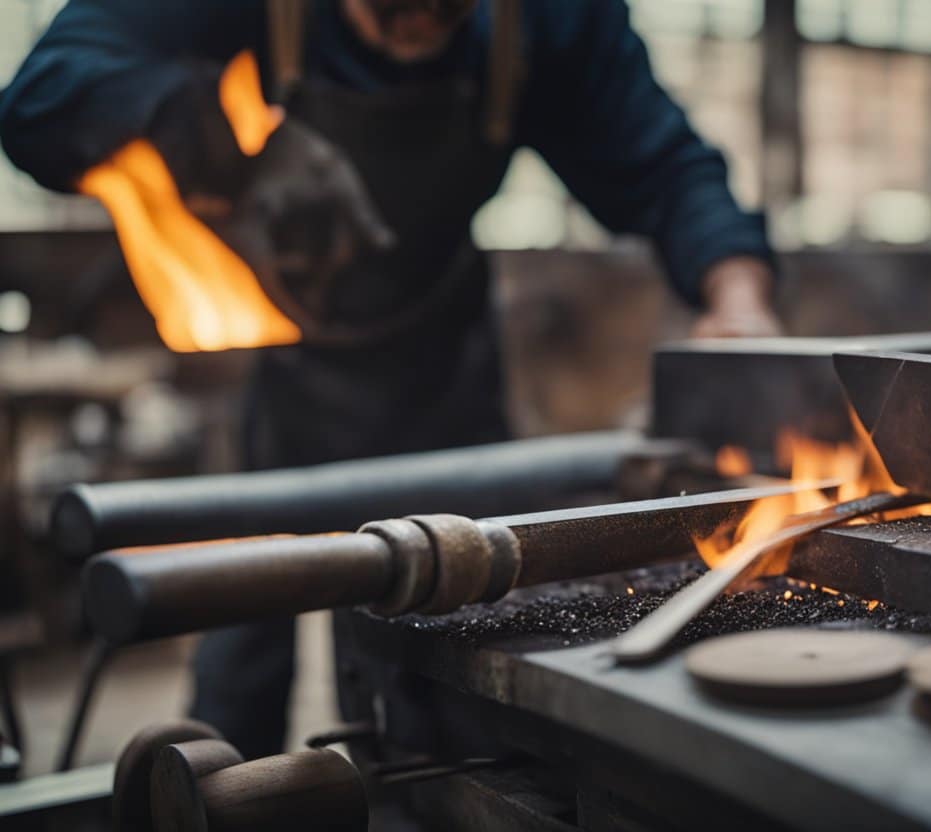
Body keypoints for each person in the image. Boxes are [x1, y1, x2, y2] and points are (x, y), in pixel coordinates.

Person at [0, 0, 780, 758]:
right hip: (292, 387)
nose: (419, 20)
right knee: (237, 680)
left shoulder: (552, 17)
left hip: (450, 392)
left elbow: (668, 166)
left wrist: (737, 301)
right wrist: (215, 136)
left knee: (454, 683)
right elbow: (38, 100)